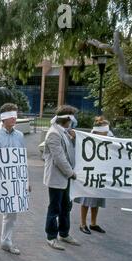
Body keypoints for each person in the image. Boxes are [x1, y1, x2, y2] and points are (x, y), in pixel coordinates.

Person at [0, 103, 26, 256]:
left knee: (12, 213)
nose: (14, 118)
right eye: (11, 115)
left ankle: (6, 242)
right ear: (3, 118)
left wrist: (25, 181)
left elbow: (22, 159)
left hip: (14, 180)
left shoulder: (20, 136)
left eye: (15, 115)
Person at [44, 105, 80, 250]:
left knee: (66, 206)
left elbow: (69, 150)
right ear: (66, 119)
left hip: (65, 178)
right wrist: (70, 173)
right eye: (71, 118)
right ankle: (51, 236)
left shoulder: (64, 132)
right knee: (55, 207)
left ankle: (64, 233)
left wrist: (73, 138)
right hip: (57, 178)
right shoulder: (54, 133)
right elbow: (59, 158)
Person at [75, 116, 111, 235]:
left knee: (98, 199)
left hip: (101, 173)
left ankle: (93, 223)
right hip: (90, 172)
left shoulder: (108, 138)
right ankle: (83, 223)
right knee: (86, 199)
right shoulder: (88, 140)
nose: (107, 133)